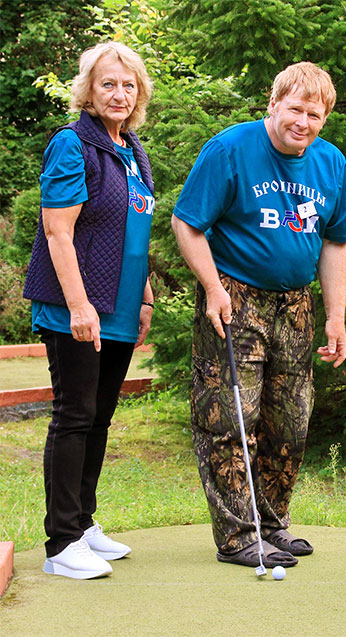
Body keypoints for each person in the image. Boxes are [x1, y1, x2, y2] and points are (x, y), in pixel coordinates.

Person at [172, 61, 346, 569]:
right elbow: (187, 224)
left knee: (290, 421)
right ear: (273, 105)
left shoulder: (330, 163)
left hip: (295, 304)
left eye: (314, 114)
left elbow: (336, 241)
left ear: (324, 119)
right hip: (235, 296)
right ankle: (237, 535)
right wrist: (212, 288)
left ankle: (272, 524)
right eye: (294, 109)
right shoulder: (229, 149)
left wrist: (334, 316)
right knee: (230, 416)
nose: (303, 121)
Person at [23, 42, 156, 580]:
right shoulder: (71, 144)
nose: (119, 94)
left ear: (139, 92)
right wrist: (79, 306)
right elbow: (59, 231)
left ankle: (83, 523)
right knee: (74, 416)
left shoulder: (133, 150)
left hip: (121, 309)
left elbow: (135, 232)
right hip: (77, 308)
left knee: (99, 417)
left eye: (128, 85)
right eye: (108, 83)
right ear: (88, 90)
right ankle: (61, 544)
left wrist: (144, 296)